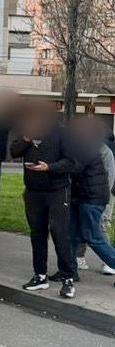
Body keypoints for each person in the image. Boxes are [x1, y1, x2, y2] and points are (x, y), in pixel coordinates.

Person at [10, 101, 79, 298]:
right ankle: (40, 275)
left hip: (57, 190)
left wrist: (49, 167)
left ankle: (68, 278)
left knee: (59, 232)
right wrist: (26, 138)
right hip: (33, 191)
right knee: (37, 233)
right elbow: (14, 152)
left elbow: (71, 162)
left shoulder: (61, 133)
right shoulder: (28, 133)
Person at [66, 116, 115, 285]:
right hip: (82, 196)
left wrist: (52, 167)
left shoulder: (88, 146)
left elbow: (75, 167)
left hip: (91, 198)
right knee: (73, 234)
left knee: (92, 235)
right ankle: (69, 271)